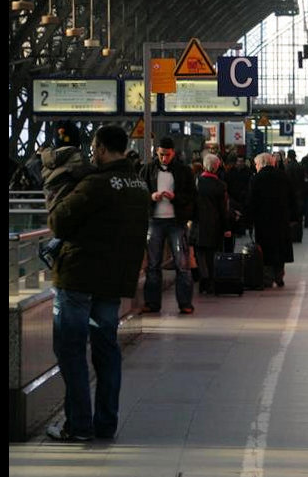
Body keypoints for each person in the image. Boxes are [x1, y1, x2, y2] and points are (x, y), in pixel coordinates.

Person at [46, 125, 149, 441]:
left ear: (102, 147)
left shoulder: (97, 184)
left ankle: (78, 425)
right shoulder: (139, 186)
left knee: (71, 349)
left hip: (79, 277)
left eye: (94, 146)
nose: (92, 151)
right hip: (113, 281)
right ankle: (105, 424)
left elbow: (58, 221)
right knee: (106, 350)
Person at [139, 136, 197, 314]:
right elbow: (140, 192)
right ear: (157, 152)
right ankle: (152, 303)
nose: (165, 158)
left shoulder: (184, 171)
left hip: (176, 221)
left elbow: (192, 195)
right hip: (154, 220)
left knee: (182, 263)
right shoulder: (147, 170)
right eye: (162, 154)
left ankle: (185, 303)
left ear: (173, 153)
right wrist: (152, 196)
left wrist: (175, 198)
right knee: (153, 264)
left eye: (168, 155)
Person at [36, 121, 95, 269]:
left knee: (65, 229)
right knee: (75, 228)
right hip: (66, 200)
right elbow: (86, 172)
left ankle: (52, 250)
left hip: (51, 200)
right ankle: (51, 249)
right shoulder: (75, 156)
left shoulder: (48, 158)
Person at [247, 152, 292, 287]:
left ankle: (267, 277)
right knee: (280, 247)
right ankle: (279, 275)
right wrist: (293, 216)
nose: (255, 166)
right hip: (281, 219)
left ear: (261, 163)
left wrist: (248, 219)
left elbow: (251, 202)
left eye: (256, 164)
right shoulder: (283, 176)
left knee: (265, 248)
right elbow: (292, 198)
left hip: (263, 220)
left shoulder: (256, 179)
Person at [191, 154, 231, 294]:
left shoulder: (196, 182)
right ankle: (211, 282)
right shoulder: (220, 185)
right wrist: (226, 228)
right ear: (216, 167)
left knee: (199, 253)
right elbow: (223, 209)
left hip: (198, 224)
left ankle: (204, 279)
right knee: (212, 254)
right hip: (215, 225)